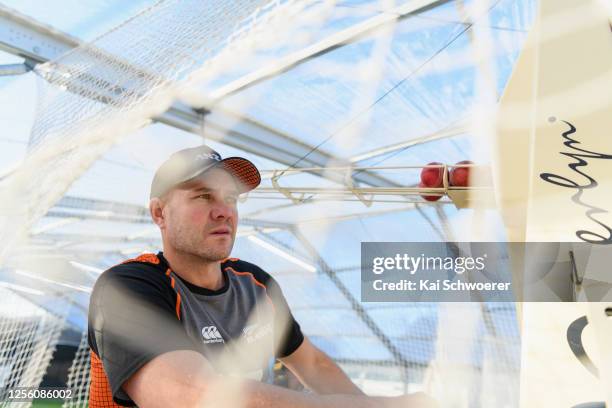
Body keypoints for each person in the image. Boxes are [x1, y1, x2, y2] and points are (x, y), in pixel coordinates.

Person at [87, 145, 437, 408]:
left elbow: (312, 363)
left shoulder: (255, 284)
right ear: (160, 213)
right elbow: (194, 396)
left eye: (230, 198)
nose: (223, 211)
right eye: (203, 195)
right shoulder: (128, 288)